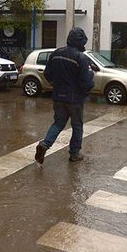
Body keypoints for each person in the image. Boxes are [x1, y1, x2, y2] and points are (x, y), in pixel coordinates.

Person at [34, 27, 95, 164]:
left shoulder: (56, 53)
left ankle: (45, 144)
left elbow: (47, 74)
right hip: (75, 99)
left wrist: (54, 85)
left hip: (58, 96)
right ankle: (74, 154)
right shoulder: (81, 58)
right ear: (80, 41)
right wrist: (86, 91)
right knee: (77, 126)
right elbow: (87, 82)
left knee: (58, 123)